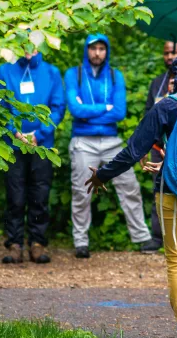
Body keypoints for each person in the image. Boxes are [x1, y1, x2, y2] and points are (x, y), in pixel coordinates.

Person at [86, 50, 177, 338]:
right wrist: (171, 160)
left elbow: (133, 151)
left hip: (173, 193)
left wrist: (102, 175)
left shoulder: (167, 107)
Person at [65, 34, 154, 258]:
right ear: (86, 50)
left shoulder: (115, 76)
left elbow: (119, 112)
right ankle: (81, 242)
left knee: (129, 186)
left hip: (112, 142)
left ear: (107, 51)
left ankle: (142, 238)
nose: (97, 53)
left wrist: (90, 111)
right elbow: (75, 111)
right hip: (83, 141)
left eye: (101, 49)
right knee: (81, 191)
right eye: (93, 48)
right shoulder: (73, 74)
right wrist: (105, 108)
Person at [0, 50, 66, 264]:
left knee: (40, 195)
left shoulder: (51, 72)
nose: (29, 49)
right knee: (15, 196)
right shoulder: (5, 70)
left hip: (42, 146)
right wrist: (14, 132)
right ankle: (14, 244)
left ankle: (37, 243)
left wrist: (39, 134)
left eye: (33, 44)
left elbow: (58, 107)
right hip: (13, 146)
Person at [145, 42, 177, 252]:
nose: (170, 57)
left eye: (175, 53)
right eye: (167, 53)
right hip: (158, 147)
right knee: (158, 191)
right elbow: (148, 115)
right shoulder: (157, 83)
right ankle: (157, 237)